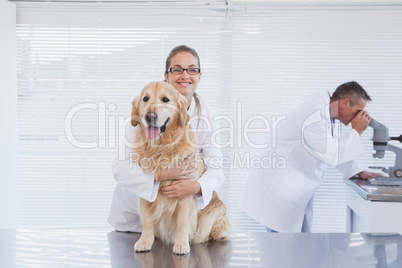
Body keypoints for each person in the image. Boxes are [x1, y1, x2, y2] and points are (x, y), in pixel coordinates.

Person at [108, 45, 225, 232]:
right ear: (166, 75)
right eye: (177, 69)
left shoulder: (207, 117)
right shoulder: (145, 110)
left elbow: (216, 169)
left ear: (199, 76)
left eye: (192, 69)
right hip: (134, 222)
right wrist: (162, 175)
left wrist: (195, 186)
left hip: (174, 225)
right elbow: (120, 167)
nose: (185, 75)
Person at [240, 81, 382, 233]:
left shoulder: (327, 112)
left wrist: (357, 171)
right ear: (345, 103)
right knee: (282, 249)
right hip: (279, 190)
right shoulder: (314, 113)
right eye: (358, 111)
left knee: (299, 247)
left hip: (292, 189)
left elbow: (330, 146)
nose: (360, 117)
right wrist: (357, 131)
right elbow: (330, 154)